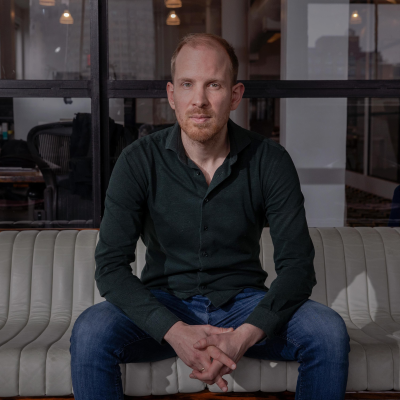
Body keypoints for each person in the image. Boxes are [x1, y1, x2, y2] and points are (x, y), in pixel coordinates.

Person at [70, 33, 350, 400]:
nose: (199, 100)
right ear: (172, 94)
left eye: (213, 85)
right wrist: (175, 332)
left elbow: (298, 267)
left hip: (244, 304)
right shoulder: (138, 161)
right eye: (188, 84)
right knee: (91, 331)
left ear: (235, 94)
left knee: (327, 332)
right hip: (165, 303)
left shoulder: (270, 160)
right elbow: (110, 267)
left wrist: (242, 337)